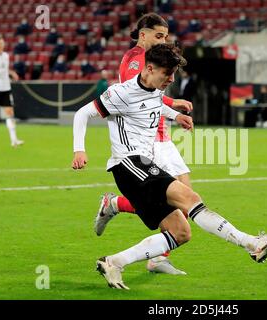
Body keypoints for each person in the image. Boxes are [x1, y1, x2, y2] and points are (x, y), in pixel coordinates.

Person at [72, 43, 267, 290]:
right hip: (129, 164)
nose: (171, 79)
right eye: (168, 73)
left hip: (144, 164)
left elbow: (154, 104)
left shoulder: (153, 86)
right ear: (150, 68)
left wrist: (176, 116)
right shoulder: (121, 93)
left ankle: (114, 262)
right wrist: (79, 149)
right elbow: (82, 114)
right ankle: (251, 243)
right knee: (190, 196)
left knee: (181, 232)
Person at [99, 12, 194, 276]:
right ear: (144, 35)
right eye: (159, 35)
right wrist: (172, 105)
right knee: (182, 202)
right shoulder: (135, 61)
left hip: (162, 135)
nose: (164, 40)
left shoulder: (150, 58)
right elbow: (137, 93)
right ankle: (151, 255)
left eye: (166, 36)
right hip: (148, 140)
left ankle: (117, 206)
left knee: (184, 200)